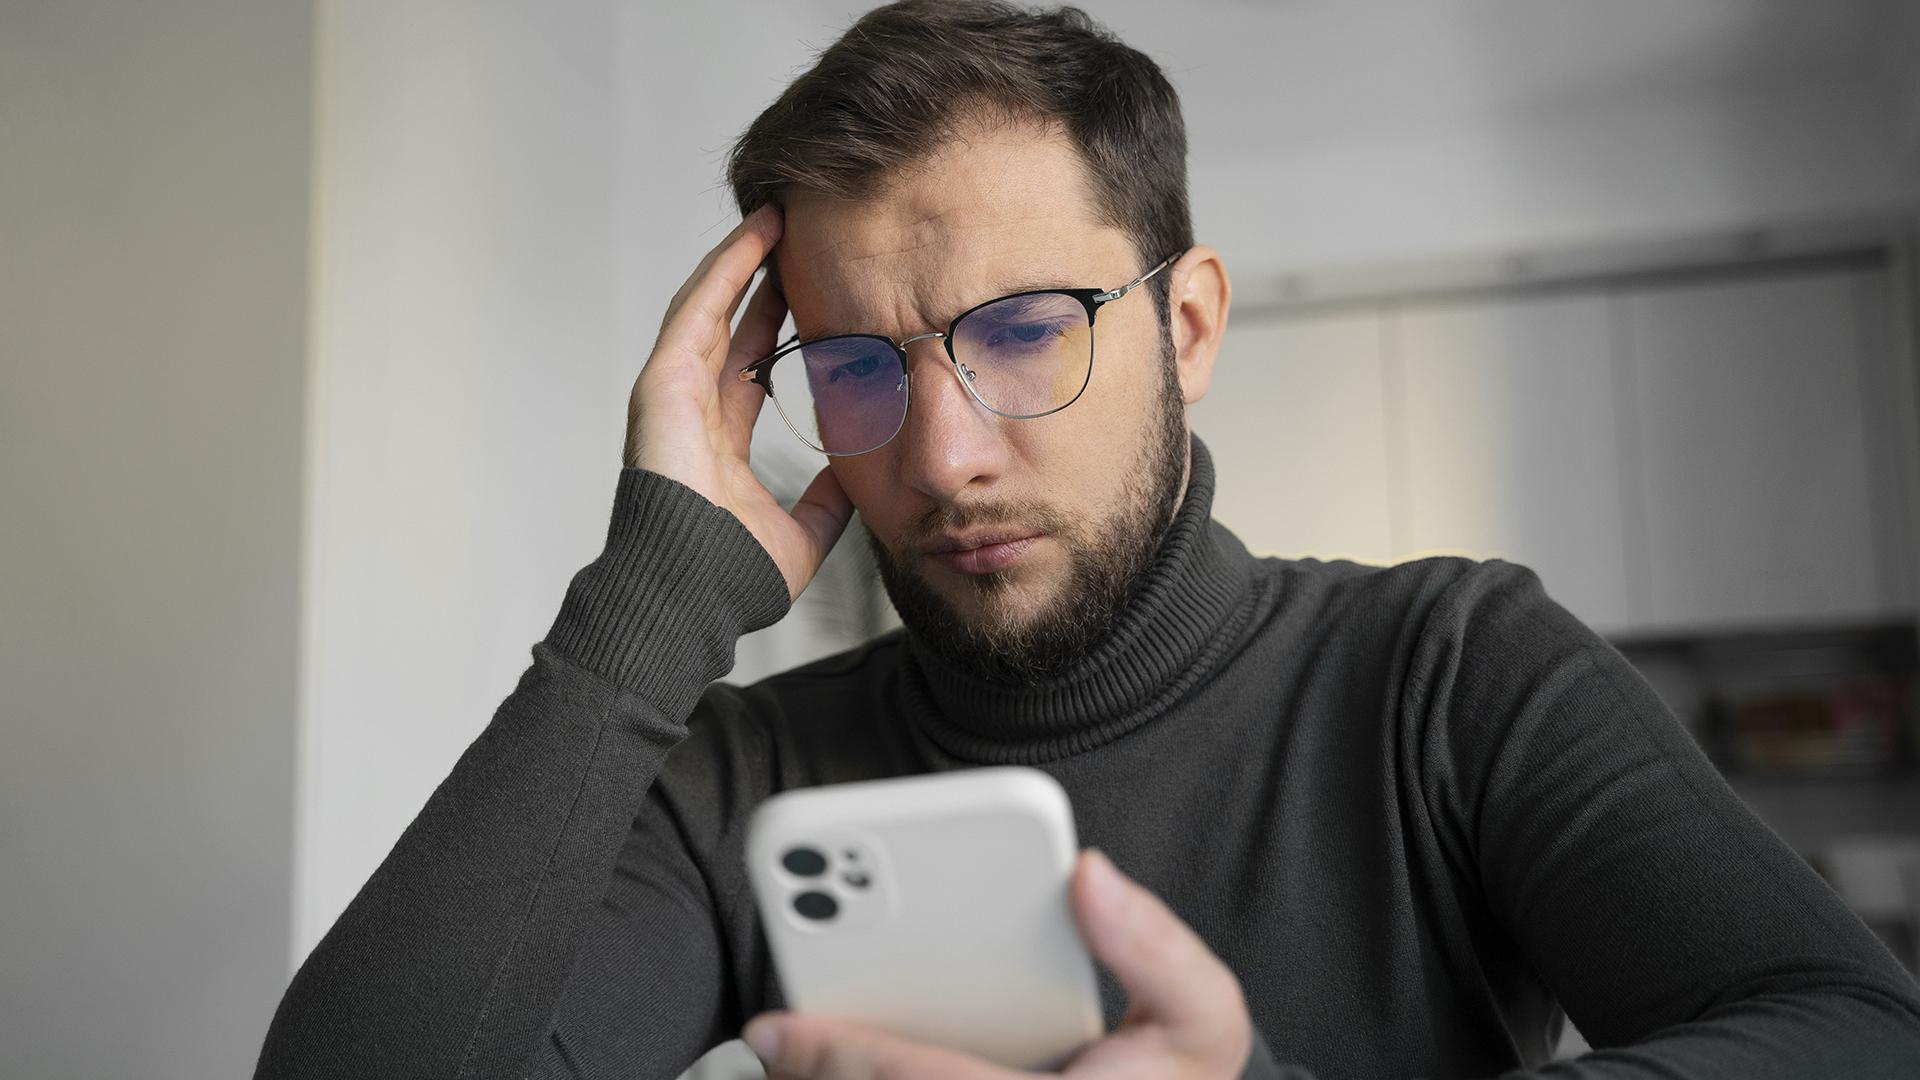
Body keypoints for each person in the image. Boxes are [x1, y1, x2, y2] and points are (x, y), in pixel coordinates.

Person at [254, 3, 1920, 1078]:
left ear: (1187, 326)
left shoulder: (1452, 671)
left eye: (1024, 331)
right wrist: (650, 595)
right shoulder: (743, 775)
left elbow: (1855, 1030)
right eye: (854, 369)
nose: (943, 454)